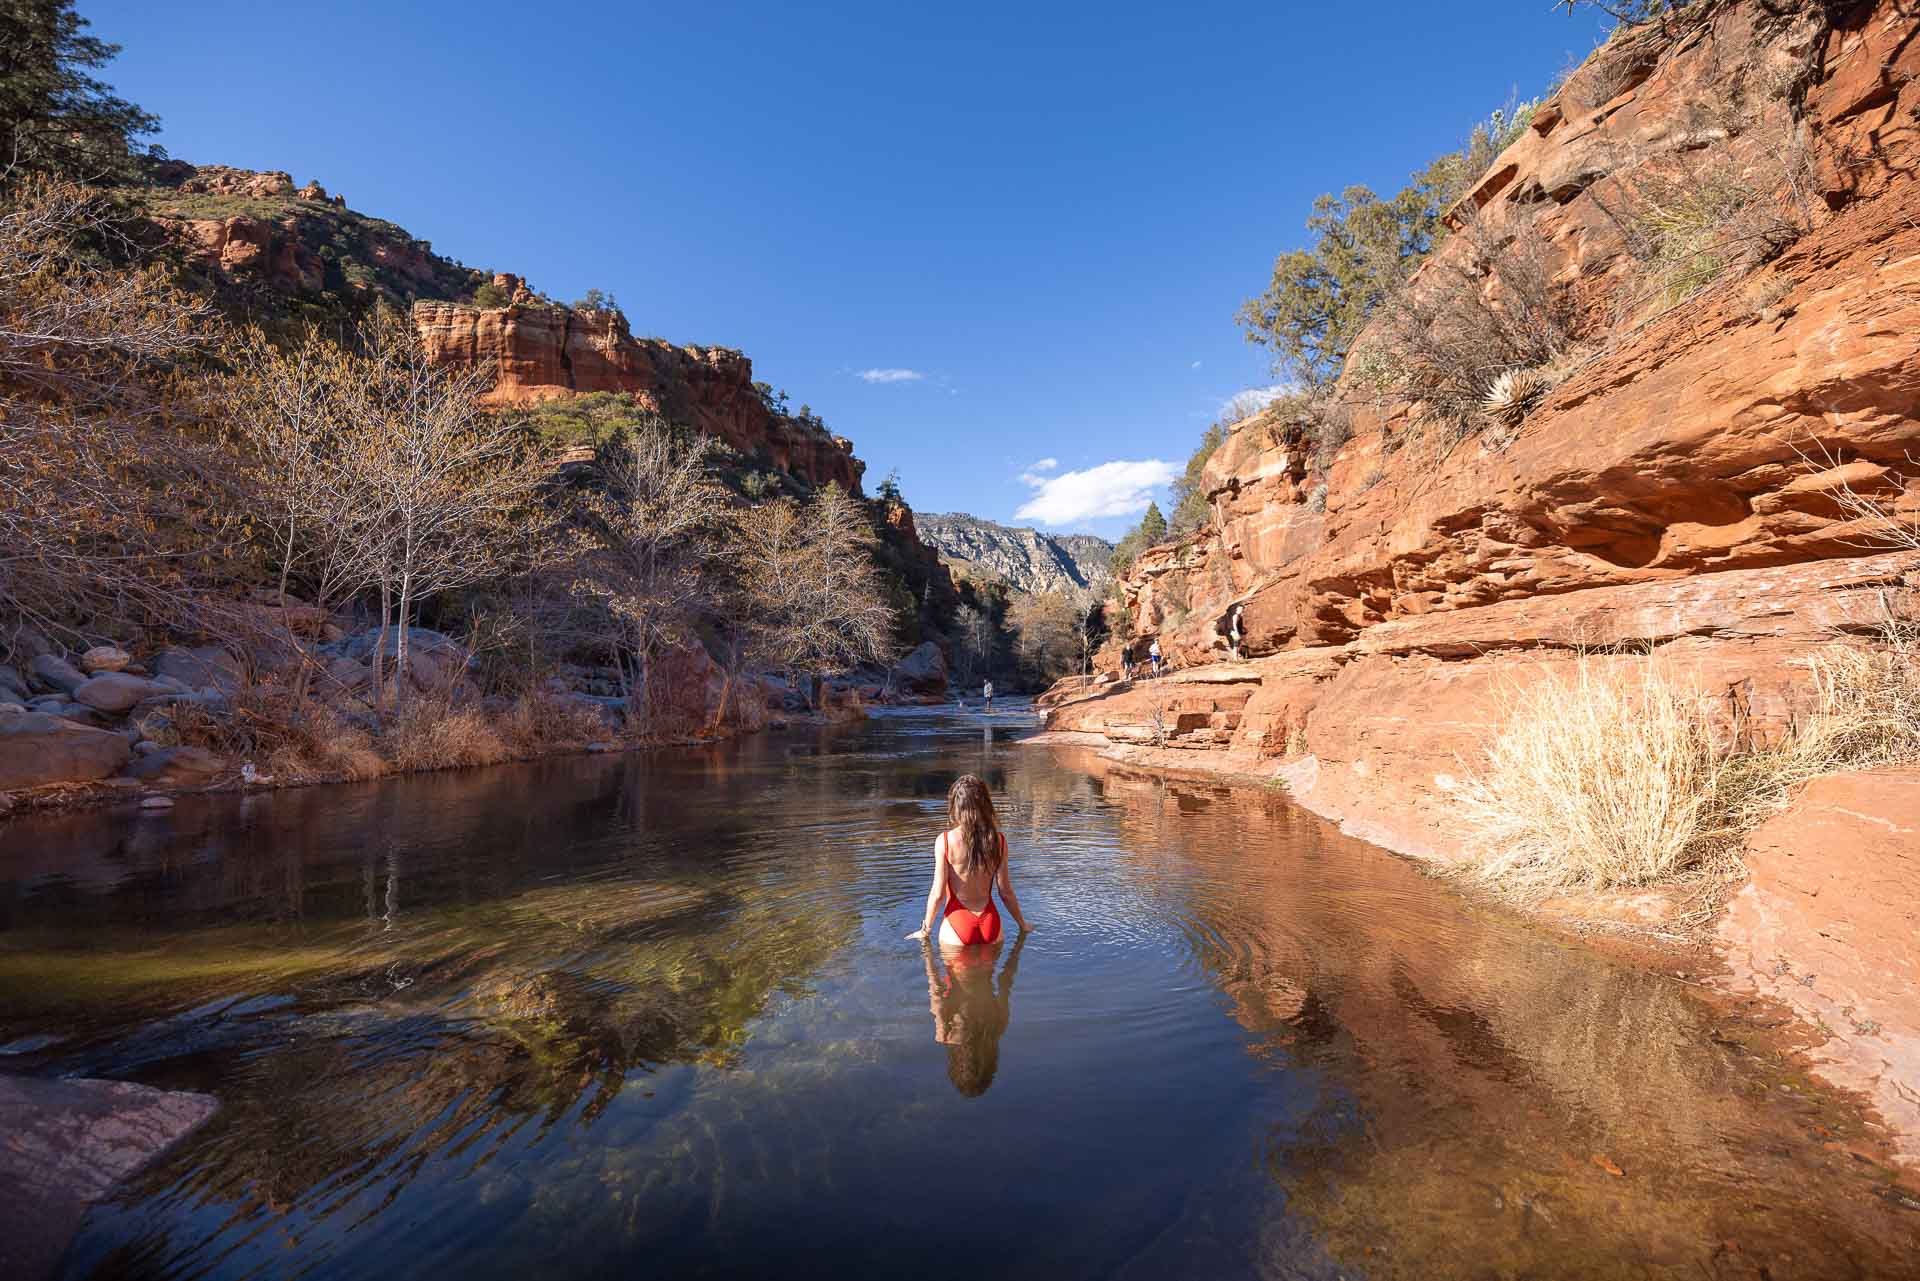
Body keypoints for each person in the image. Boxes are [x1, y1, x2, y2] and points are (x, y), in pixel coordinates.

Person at [907, 774, 1031, 947]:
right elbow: (1006, 892)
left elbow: (938, 894)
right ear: (985, 804)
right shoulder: (999, 841)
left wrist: (925, 930)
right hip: (991, 925)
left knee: (945, 972)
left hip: (957, 926)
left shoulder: (945, 841)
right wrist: (1023, 925)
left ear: (956, 807)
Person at [922, 932, 1025, 1097]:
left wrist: (925, 944)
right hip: (973, 944)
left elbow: (1006, 980)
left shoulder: (998, 1029)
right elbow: (936, 988)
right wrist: (926, 951)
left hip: (967, 942)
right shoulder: (945, 1035)